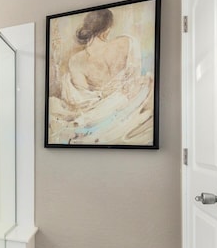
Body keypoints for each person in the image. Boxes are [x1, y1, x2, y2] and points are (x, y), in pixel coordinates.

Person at [48, 8, 154, 145]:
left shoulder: (76, 60)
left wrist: (105, 95)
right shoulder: (127, 42)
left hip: (102, 112)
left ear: (86, 28)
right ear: (108, 29)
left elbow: (82, 99)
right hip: (132, 103)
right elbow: (134, 77)